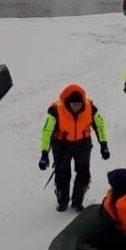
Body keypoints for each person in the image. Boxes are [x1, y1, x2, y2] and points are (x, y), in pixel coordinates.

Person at [39, 84, 109, 212]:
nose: (76, 107)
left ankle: (77, 200)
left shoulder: (90, 108)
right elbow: (47, 131)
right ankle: (62, 200)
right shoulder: (56, 111)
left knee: (83, 173)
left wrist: (104, 145)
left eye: (79, 104)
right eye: (74, 105)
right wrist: (44, 153)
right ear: (68, 103)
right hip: (62, 145)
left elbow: (100, 125)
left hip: (83, 144)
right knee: (62, 174)